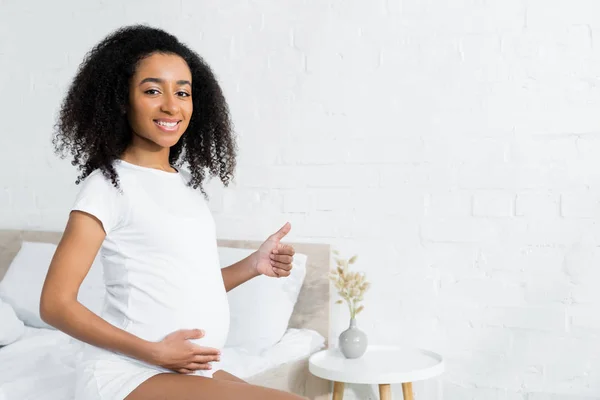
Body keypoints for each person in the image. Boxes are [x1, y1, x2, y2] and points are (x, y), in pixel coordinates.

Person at [40, 24, 306, 400]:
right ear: (121, 100)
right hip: (127, 372)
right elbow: (54, 304)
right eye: (152, 91)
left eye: (182, 92)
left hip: (188, 367)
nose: (171, 105)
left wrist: (253, 264)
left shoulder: (184, 187)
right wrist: (154, 351)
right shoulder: (108, 186)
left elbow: (188, 285)